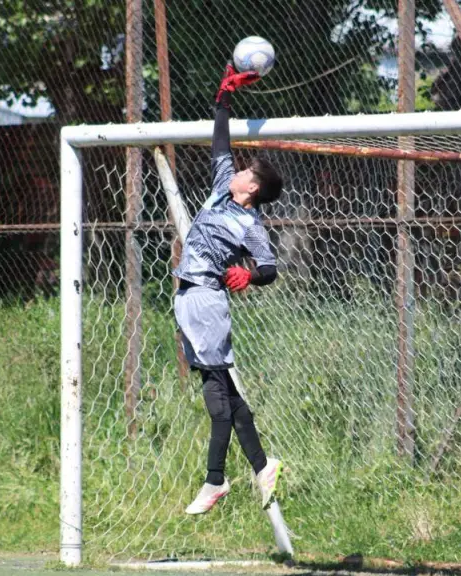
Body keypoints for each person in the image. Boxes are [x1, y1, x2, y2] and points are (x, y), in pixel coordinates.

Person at [172, 63, 284, 515]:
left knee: (216, 395)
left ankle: (214, 480)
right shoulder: (222, 189)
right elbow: (221, 144)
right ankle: (262, 466)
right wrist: (224, 97)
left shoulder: (250, 224)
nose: (235, 169)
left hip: (206, 300)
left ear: (251, 187)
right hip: (188, 298)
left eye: (243, 170)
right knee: (227, 394)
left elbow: (270, 268)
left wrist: (249, 276)